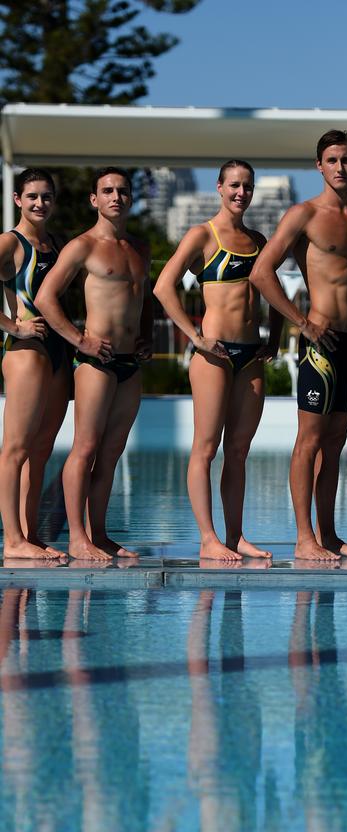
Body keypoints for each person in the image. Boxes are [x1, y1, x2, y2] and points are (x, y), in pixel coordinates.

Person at [251, 129, 347, 561]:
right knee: (309, 441)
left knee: (336, 442)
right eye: (332, 160)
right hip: (319, 345)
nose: (341, 168)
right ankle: (304, 538)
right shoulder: (303, 214)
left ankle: (328, 535)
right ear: (319, 166)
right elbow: (262, 273)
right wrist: (302, 322)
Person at [154, 160, 282, 561]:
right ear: (219, 188)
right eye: (233, 185)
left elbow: (274, 294)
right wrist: (195, 337)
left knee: (239, 451)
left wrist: (274, 339)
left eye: (247, 185)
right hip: (214, 355)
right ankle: (208, 538)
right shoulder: (202, 235)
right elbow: (163, 287)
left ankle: (235, 535)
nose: (240, 192)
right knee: (205, 449)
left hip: (251, 354)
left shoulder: (260, 240)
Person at [35, 167, 152, 561]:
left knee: (111, 453)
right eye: (107, 191)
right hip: (95, 362)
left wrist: (147, 336)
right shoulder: (82, 246)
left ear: (130, 197)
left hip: (129, 363)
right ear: (94, 199)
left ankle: (99, 535)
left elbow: (144, 298)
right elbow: (46, 298)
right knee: (84, 449)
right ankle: (77, 537)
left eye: (122, 190)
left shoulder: (141, 247)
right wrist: (78, 338)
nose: (115, 197)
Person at [0, 168, 72, 560]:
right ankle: (12, 540)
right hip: (26, 352)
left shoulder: (57, 244)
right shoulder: (10, 243)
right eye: (32, 197)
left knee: (41, 449)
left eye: (46, 197)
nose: (39, 203)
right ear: (18, 200)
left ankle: (28, 535)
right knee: (15, 448)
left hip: (58, 352)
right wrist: (15, 326)